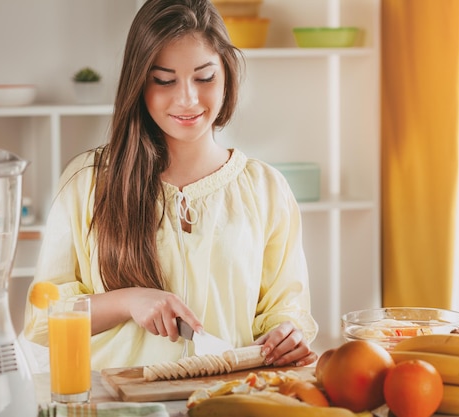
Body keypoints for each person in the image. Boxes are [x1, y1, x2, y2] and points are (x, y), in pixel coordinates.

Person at [23, 0, 318, 371]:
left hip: (222, 400)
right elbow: (42, 322)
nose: (187, 99)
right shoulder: (88, 181)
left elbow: (284, 308)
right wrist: (128, 301)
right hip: (115, 404)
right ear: (139, 82)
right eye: (164, 80)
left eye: (204, 77)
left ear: (227, 74)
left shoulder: (266, 189)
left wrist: (287, 333)